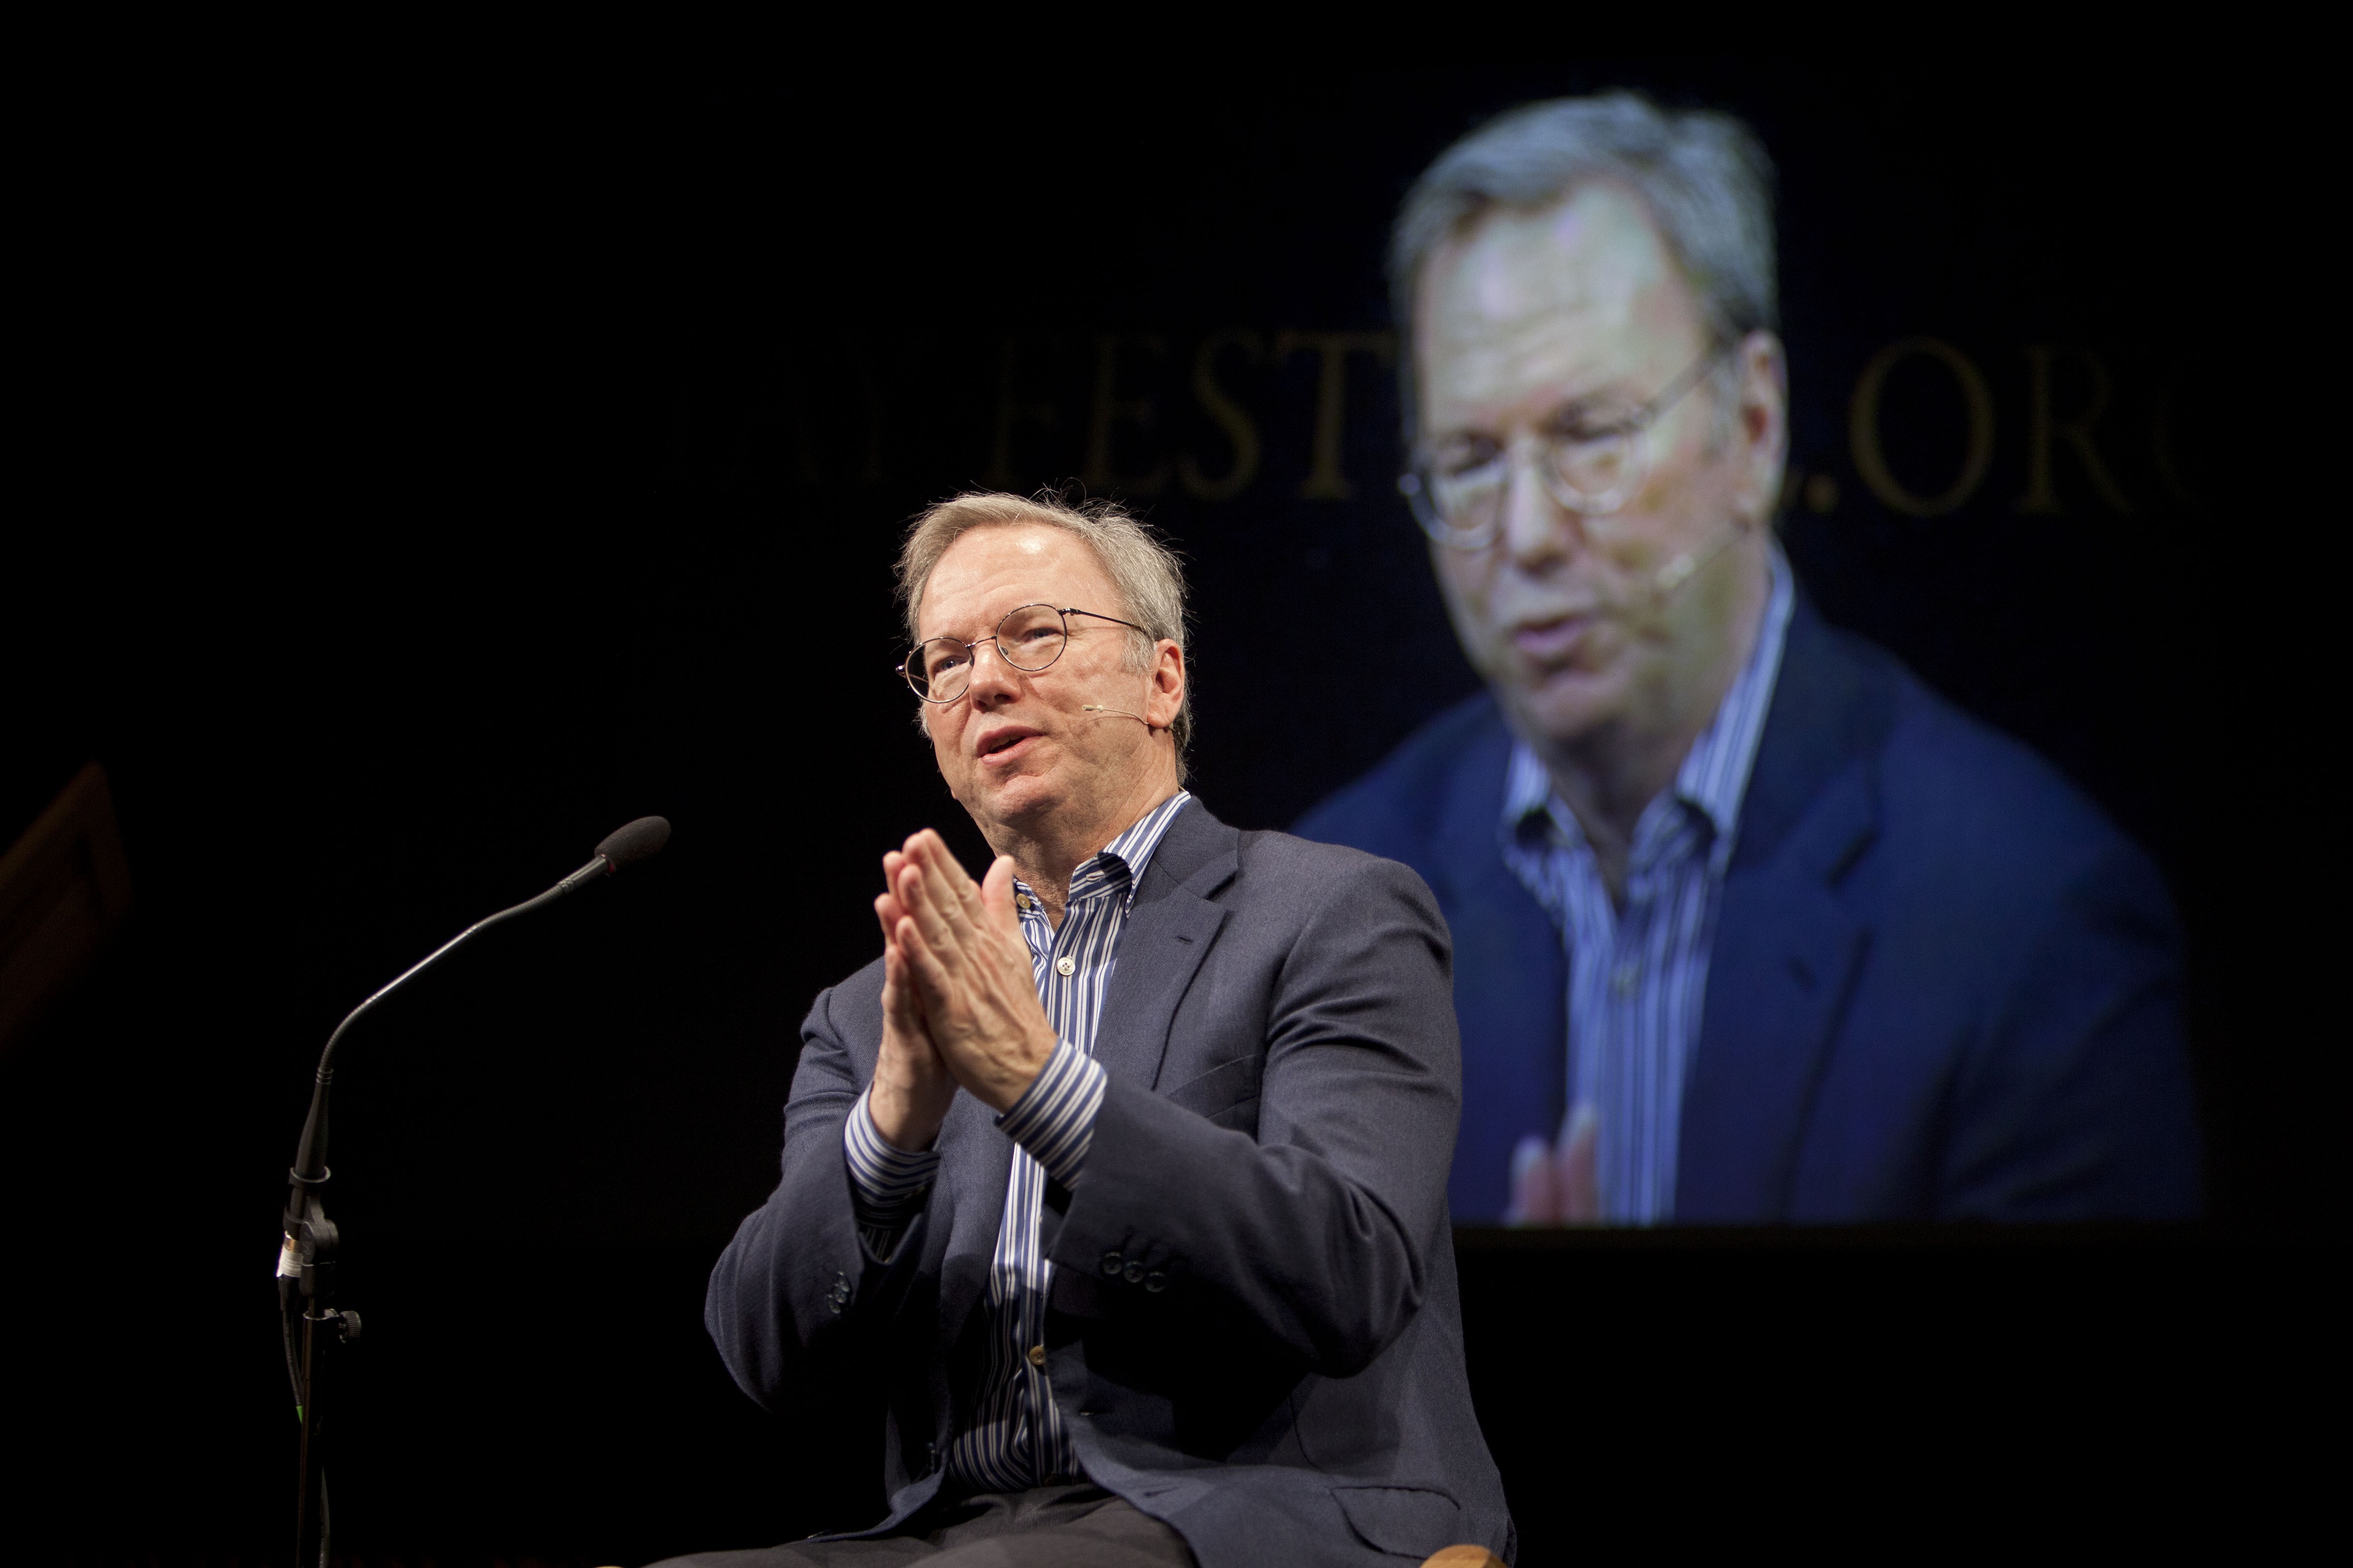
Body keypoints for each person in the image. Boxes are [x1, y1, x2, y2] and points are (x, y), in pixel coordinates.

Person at [1295, 94, 2200, 1225]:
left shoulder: (2026, 923)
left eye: (1590, 435)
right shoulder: (1331, 902)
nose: (1523, 532)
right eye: (1468, 459)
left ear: (1754, 425)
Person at [670, 493, 1512, 1567]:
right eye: (945, 659)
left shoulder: (1332, 916)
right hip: (952, 1531)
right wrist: (887, 1134)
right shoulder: (871, 1012)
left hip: (1259, 1510)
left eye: (1033, 632)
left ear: (1162, 680)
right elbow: (765, 1355)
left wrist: (1039, 1088)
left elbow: (1342, 1271)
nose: (982, 680)